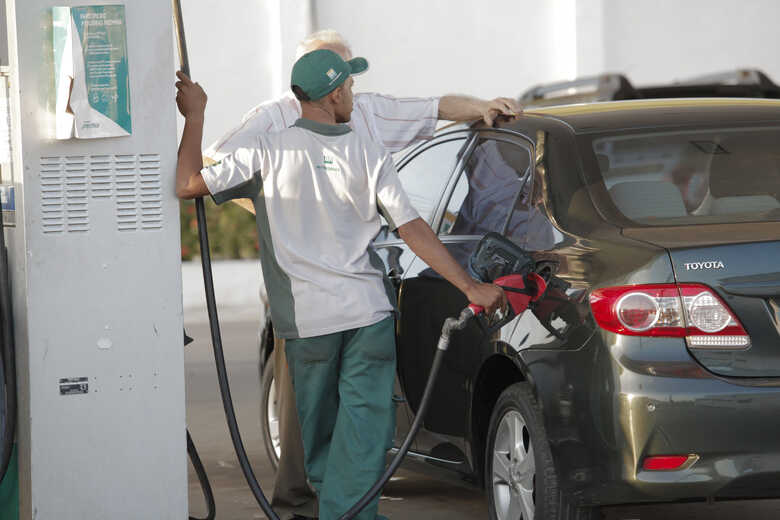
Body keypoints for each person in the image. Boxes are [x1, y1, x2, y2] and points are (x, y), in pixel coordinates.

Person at [175, 49, 506, 520]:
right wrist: (470, 287)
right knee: (365, 435)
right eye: (349, 87)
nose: (353, 94)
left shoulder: (266, 150)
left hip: (308, 324)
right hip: (367, 315)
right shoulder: (367, 153)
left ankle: (347, 513)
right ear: (333, 95)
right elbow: (413, 228)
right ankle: (352, 514)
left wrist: (195, 115)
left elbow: (187, 182)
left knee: (323, 439)